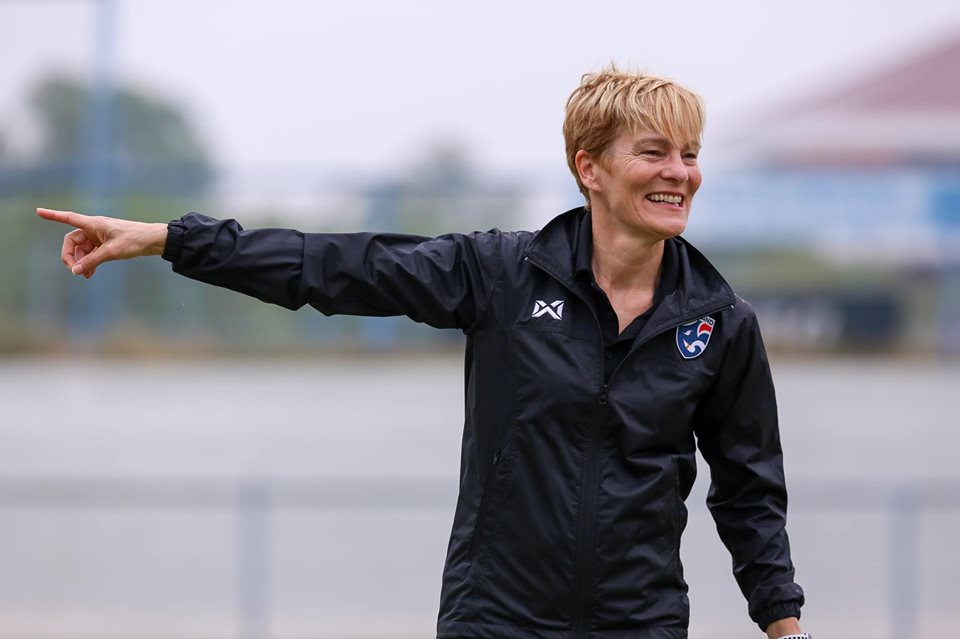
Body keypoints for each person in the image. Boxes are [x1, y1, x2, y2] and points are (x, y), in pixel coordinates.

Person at [38, 67, 808, 639]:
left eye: (689, 154)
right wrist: (172, 239)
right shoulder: (503, 275)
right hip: (496, 618)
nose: (679, 173)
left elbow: (748, 489)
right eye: (655, 152)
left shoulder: (720, 322)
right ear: (590, 168)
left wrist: (783, 622)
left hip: (641, 625)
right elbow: (334, 265)